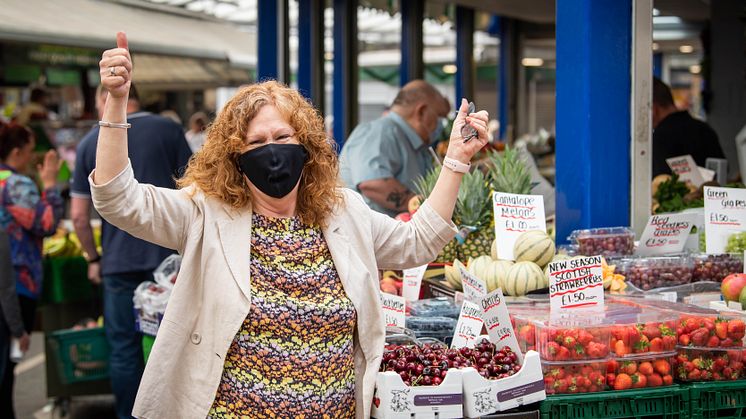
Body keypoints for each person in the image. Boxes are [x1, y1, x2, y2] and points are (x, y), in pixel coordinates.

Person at [90, 32, 488, 418]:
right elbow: (120, 199)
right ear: (235, 156)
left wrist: (455, 159)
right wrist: (116, 103)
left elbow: (416, 242)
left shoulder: (343, 212)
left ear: (307, 145)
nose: (273, 151)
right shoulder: (204, 213)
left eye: (282, 136)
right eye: (256, 142)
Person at [70, 81, 192, 419]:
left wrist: (93, 258)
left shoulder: (89, 143)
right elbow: (197, 187)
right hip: (171, 261)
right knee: (173, 346)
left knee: (123, 350)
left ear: (102, 99)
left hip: (118, 264)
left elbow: (79, 217)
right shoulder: (169, 130)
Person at [0, 122, 63, 418]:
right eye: (27, 151)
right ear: (16, 152)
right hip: (15, 282)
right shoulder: (15, 184)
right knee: (8, 365)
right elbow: (46, 224)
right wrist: (49, 183)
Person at [339, 80, 450, 216]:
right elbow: (372, 183)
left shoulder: (414, 144)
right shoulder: (381, 132)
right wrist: (422, 207)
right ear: (421, 112)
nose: (442, 125)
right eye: (440, 117)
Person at [652, 77, 725, 177]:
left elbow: (661, 182)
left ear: (654, 108)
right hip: (713, 191)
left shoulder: (660, 137)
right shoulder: (704, 129)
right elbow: (722, 171)